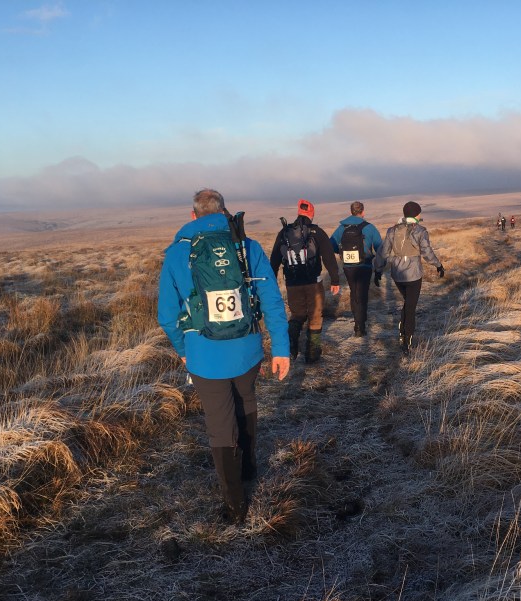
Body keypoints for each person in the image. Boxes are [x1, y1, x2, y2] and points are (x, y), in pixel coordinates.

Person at [157, 188, 291, 524]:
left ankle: (235, 505)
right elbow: (272, 300)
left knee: (220, 426)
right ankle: (249, 468)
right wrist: (282, 349)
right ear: (225, 212)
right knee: (246, 402)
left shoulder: (176, 254)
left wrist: (185, 350)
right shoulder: (247, 247)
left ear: (192, 216)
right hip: (248, 349)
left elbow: (167, 315)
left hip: (204, 355)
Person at [269, 199, 341, 363]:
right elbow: (329, 258)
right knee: (315, 317)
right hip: (313, 283)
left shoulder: (284, 233)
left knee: (297, 315)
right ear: (312, 214)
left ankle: (291, 346)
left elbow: (274, 259)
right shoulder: (317, 232)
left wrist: (271, 283)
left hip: (292, 284)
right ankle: (312, 354)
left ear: (298, 213)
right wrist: (335, 280)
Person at [374, 201, 444, 354]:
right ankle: (407, 341)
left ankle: (403, 333)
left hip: (397, 274)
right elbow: (426, 252)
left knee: (408, 303)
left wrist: (377, 270)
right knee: (411, 306)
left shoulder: (392, 230)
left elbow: (383, 251)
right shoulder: (420, 230)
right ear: (417, 214)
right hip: (413, 275)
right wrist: (438, 265)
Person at [330, 201, 383, 336]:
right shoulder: (370, 228)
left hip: (348, 267)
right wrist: (379, 268)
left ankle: (358, 322)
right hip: (364, 266)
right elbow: (380, 249)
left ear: (351, 211)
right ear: (363, 212)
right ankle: (360, 327)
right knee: (362, 295)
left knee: (354, 292)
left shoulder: (342, 228)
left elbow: (332, 245)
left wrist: (342, 251)